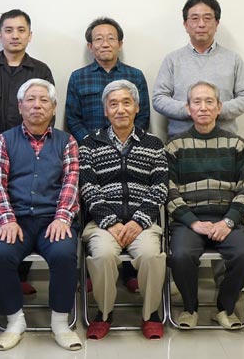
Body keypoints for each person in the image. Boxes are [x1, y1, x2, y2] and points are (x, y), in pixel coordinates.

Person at [0, 79, 82, 351]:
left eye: (44, 100)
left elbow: (71, 183)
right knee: (0, 255)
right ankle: (15, 322)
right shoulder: (3, 141)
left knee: (64, 254)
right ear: (20, 106)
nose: (37, 105)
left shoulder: (67, 141)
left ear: (53, 107)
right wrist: (7, 219)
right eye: (30, 99)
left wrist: (62, 218)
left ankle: (60, 323)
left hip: (53, 219)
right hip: (16, 220)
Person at [0, 9, 54, 295]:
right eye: (9, 30)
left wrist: (24, 145)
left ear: (30, 35)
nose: (15, 35)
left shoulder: (40, 70)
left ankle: (19, 277)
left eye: (21, 30)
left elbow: (47, 111)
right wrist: (3, 144)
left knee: (27, 206)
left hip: (33, 152)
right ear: (0, 35)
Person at [65, 16, 149, 292]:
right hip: (91, 154)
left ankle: (129, 271)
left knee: (131, 200)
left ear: (120, 43)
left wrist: (126, 144)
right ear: (90, 46)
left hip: (129, 150)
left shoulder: (136, 76)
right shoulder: (78, 77)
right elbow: (72, 118)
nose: (105, 43)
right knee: (94, 204)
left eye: (111, 38)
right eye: (98, 39)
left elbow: (143, 116)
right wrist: (92, 145)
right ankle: (95, 270)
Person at [80, 80, 167, 340]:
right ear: (105, 111)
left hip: (143, 223)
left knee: (151, 255)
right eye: (113, 104)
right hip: (103, 223)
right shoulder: (90, 143)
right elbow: (88, 187)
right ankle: (104, 313)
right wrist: (110, 221)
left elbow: (160, 187)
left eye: (126, 103)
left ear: (137, 107)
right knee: (103, 255)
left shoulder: (153, 144)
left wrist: (139, 221)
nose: (120, 109)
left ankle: (150, 314)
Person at [165, 81, 244, 329]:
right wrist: (193, 222)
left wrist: (228, 221)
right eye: (197, 102)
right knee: (181, 256)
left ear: (219, 107)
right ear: (188, 108)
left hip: (227, 218)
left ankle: (225, 308)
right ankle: (190, 308)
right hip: (189, 221)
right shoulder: (174, 146)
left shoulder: (237, 144)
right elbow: (169, 191)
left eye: (209, 102)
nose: (203, 107)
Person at [153, 0, 244, 138]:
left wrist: (215, 110)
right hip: (180, 141)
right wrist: (191, 110)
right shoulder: (172, 60)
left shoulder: (233, 59)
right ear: (185, 24)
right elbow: (159, 98)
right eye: (195, 18)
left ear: (217, 23)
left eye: (207, 18)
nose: (201, 24)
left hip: (225, 140)